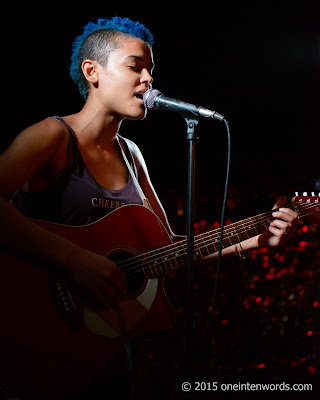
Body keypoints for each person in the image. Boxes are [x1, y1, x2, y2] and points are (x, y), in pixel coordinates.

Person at [0, 17, 298, 399]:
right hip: (34, 330)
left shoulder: (132, 155)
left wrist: (255, 239)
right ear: (92, 71)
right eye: (134, 66)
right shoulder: (52, 136)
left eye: (150, 70)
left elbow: (167, 247)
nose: (148, 80)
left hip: (103, 349)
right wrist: (75, 260)